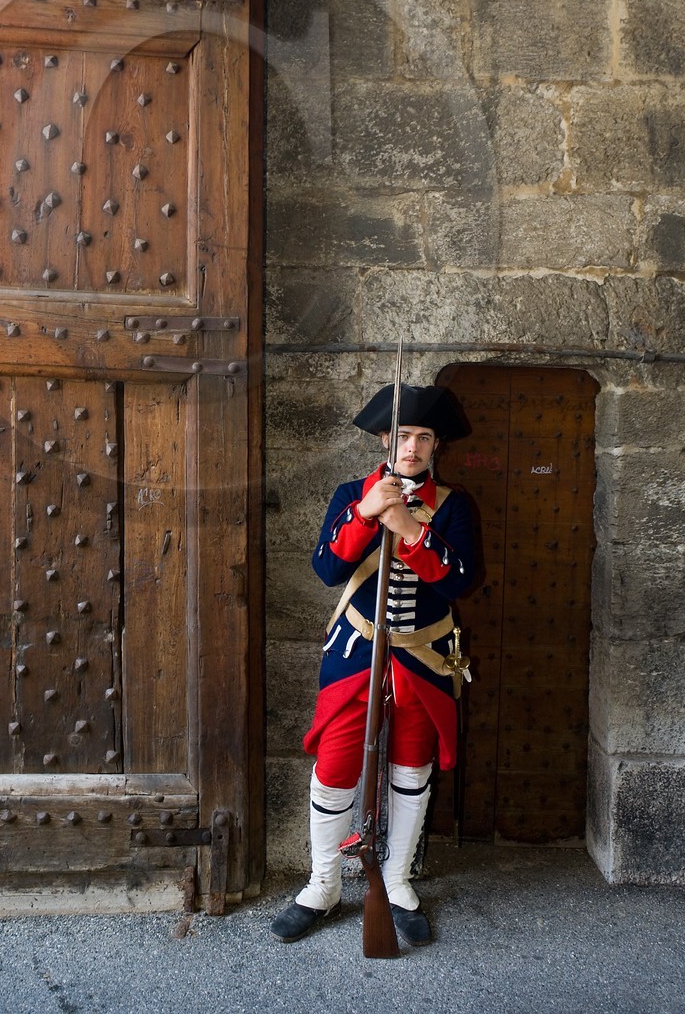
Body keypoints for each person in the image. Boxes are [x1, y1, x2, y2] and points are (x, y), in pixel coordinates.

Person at [271, 382, 475, 947]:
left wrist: (409, 530)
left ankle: (399, 881)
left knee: (411, 769)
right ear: (386, 438)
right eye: (403, 435)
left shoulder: (454, 505)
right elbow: (326, 569)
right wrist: (367, 512)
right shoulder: (350, 493)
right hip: (356, 654)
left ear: (436, 447)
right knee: (335, 768)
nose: (412, 446)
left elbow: (463, 579)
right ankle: (323, 884)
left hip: (425, 658)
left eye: (424, 438)